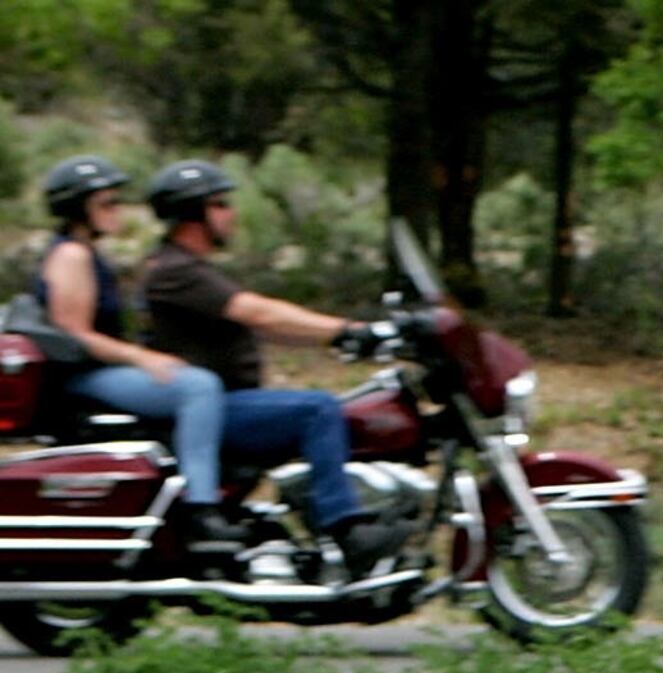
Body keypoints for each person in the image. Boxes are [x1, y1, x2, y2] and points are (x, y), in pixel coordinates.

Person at [134, 159, 394, 575]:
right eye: (220, 204)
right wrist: (347, 330)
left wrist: (339, 336)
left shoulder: (185, 268)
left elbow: (272, 327)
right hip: (215, 408)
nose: (231, 213)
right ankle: (346, 530)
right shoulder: (176, 271)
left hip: (223, 402)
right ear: (192, 214)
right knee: (318, 409)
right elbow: (257, 313)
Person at [27, 156, 254, 559]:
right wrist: (142, 358)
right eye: (106, 203)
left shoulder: (82, 252)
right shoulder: (72, 256)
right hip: (83, 375)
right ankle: (202, 507)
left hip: (96, 370)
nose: (117, 211)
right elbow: (74, 331)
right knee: (198, 387)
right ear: (79, 208)